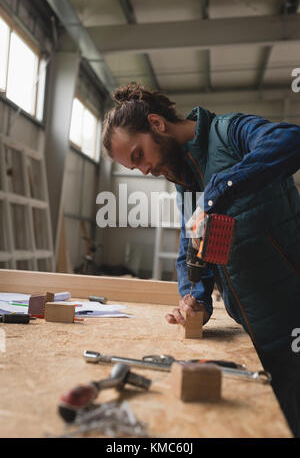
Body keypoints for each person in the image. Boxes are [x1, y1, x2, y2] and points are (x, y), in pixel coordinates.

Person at [101, 82, 300, 437]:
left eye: (138, 155)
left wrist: (223, 187)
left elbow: (290, 139)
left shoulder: (230, 132)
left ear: (157, 125)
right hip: (255, 340)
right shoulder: (184, 179)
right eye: (135, 167)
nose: (144, 169)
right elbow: (191, 244)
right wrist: (195, 299)